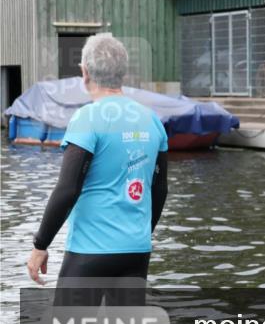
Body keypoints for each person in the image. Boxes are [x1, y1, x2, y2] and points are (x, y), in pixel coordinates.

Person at [26, 33, 169, 305]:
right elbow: (160, 189)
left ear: (85, 72)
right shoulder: (152, 120)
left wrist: (40, 245)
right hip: (136, 252)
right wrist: (141, 232)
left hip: (89, 253)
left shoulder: (87, 118)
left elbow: (68, 189)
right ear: (123, 73)